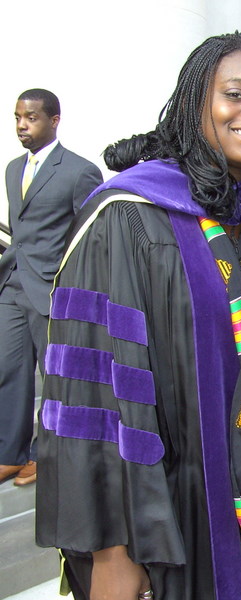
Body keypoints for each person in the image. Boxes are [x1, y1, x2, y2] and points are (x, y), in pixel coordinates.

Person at [35, 32, 241, 600]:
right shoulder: (128, 218)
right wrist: (112, 551)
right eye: (235, 94)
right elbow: (89, 397)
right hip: (166, 518)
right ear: (193, 104)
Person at [0, 88, 102, 486]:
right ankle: (10, 453)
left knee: (55, 375)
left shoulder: (79, 171)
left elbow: (88, 238)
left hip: (51, 289)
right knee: (8, 368)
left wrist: (72, 289)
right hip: (12, 283)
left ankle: (46, 454)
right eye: (17, 118)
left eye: (31, 118)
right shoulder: (13, 169)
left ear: (54, 120)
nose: (22, 125)